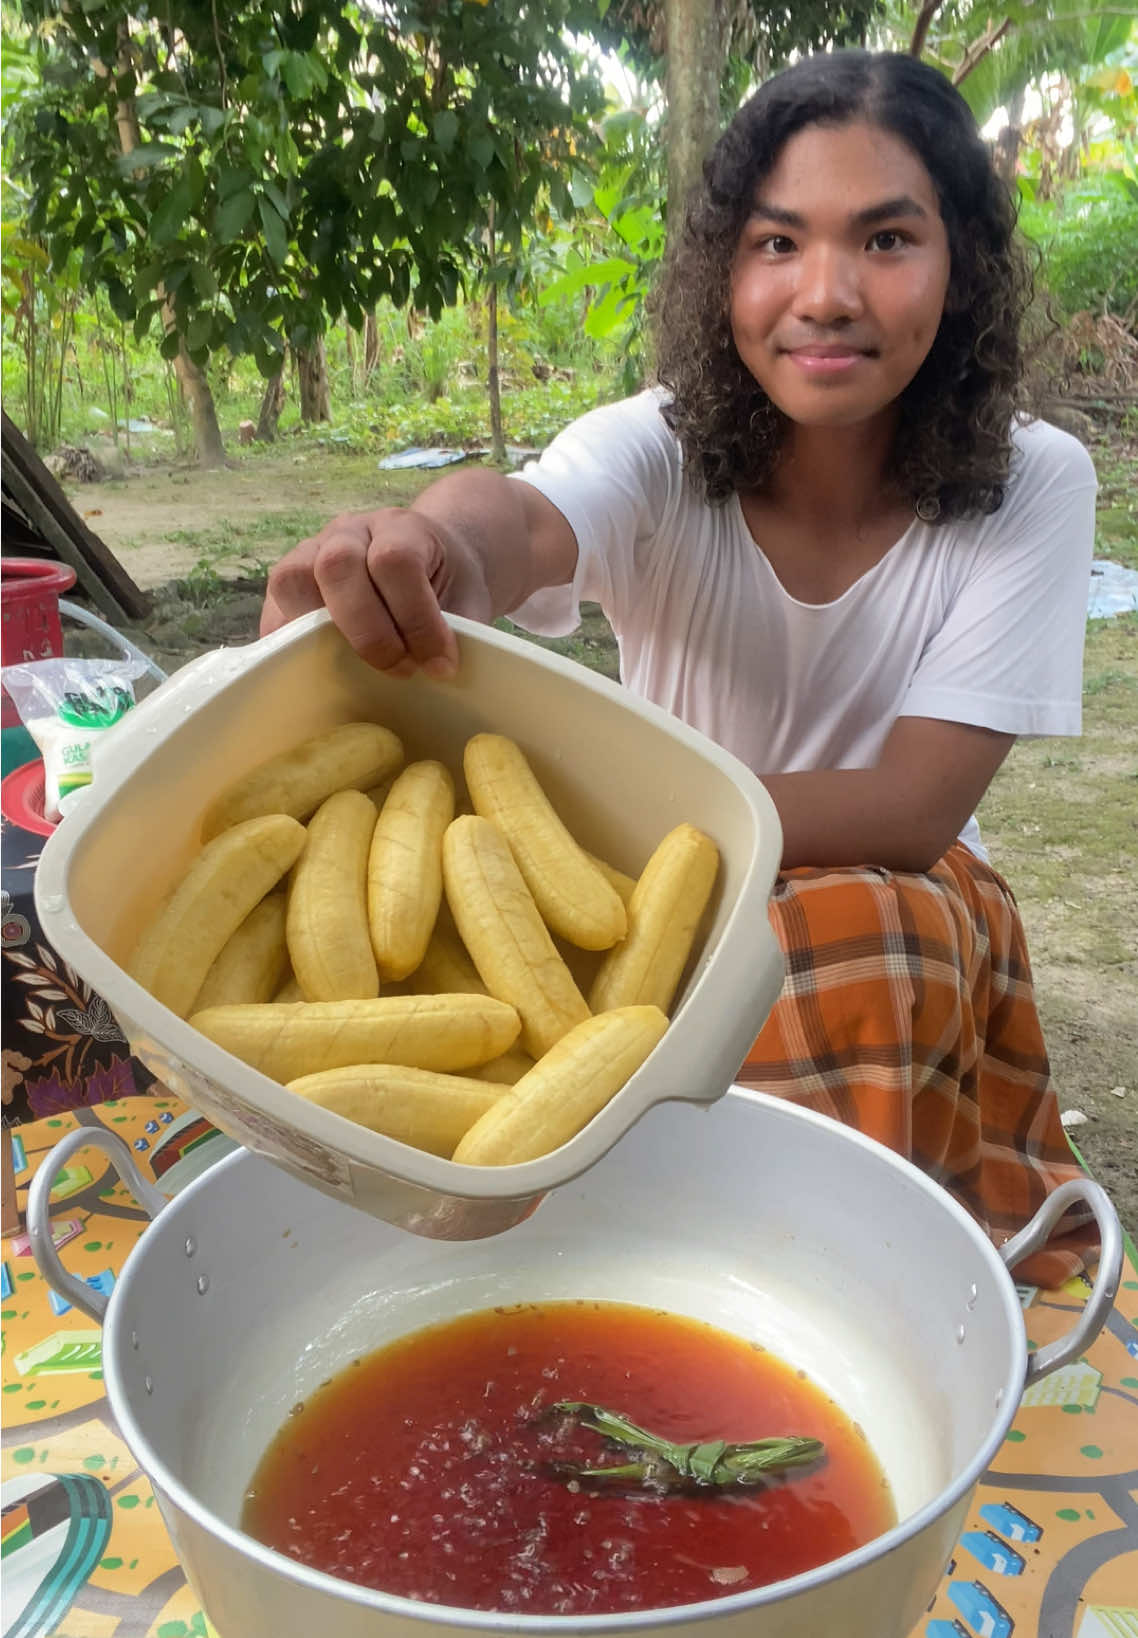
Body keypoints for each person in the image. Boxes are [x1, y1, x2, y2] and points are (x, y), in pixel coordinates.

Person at [262, 50, 1099, 1285]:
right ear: (723, 273)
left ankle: (831, 1279)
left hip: (833, 889)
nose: (824, 294)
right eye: (776, 245)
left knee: (875, 931)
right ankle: (604, 1260)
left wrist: (613, 837)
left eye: (884, 241)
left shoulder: (1034, 482)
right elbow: (520, 520)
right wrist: (431, 545)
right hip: (632, 895)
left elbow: (915, 808)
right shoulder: (656, 450)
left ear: (961, 267)